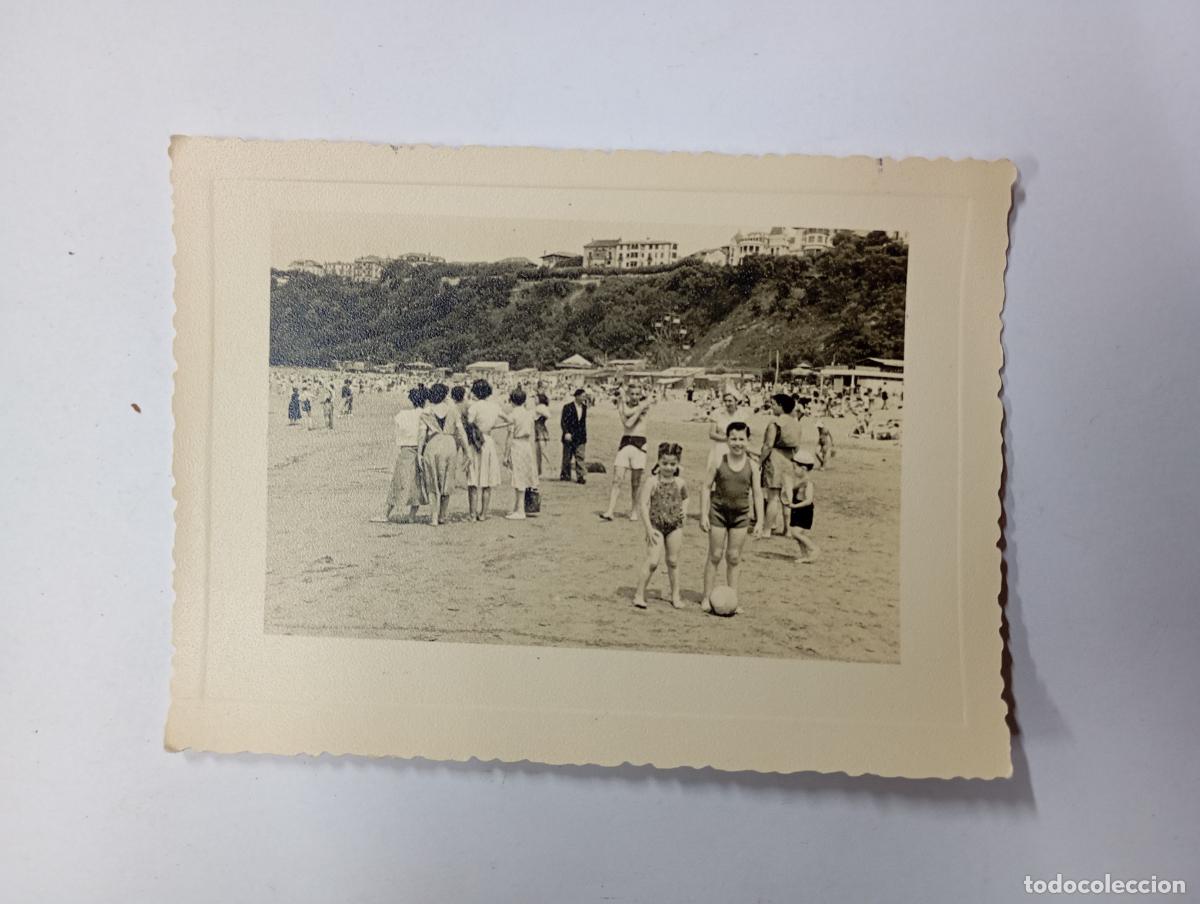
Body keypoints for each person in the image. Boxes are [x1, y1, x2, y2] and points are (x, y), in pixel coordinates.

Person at [700, 422, 765, 614]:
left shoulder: (753, 466)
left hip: (740, 516)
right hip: (718, 513)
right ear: (727, 440)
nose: (737, 443)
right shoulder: (719, 461)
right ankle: (706, 596)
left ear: (748, 440)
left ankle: (733, 598)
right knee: (715, 555)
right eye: (733, 439)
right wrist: (704, 514)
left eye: (741, 439)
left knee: (734, 557)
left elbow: (758, 494)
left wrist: (760, 521)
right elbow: (705, 487)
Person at [632, 443, 689, 609]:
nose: (668, 468)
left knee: (673, 561)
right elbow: (643, 504)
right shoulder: (652, 482)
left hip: (674, 526)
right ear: (658, 461)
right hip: (655, 525)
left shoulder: (680, 482)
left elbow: (686, 498)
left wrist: (684, 512)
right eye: (664, 463)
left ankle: (675, 595)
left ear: (678, 463)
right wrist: (648, 528)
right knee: (653, 561)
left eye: (672, 464)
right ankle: (639, 594)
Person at [417, 383, 466, 526]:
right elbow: (461, 432)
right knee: (447, 480)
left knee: (432, 481)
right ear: (445, 395)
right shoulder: (453, 410)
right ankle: (442, 515)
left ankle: (433, 517)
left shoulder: (426, 412)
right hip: (449, 444)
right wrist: (467, 450)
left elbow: (421, 435)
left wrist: (419, 453)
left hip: (433, 444)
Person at [601, 384, 652, 521]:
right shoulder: (629, 407)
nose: (635, 397)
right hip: (625, 443)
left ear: (640, 394)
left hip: (640, 444)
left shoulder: (644, 405)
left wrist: (622, 404)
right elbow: (626, 423)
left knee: (635, 482)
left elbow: (628, 421)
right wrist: (622, 406)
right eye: (632, 394)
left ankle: (634, 510)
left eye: (637, 394)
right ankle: (610, 510)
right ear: (629, 394)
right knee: (617, 478)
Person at [385, 386, 430, 523]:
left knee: (399, 481)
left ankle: (387, 513)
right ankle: (412, 515)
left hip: (405, 450)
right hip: (421, 449)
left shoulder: (403, 415)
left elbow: (398, 430)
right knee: (417, 482)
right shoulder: (427, 414)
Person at [759, 393, 803, 534]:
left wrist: (760, 461)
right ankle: (787, 530)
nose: (771, 407)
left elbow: (768, 445)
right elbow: (797, 447)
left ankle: (767, 530)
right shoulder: (796, 424)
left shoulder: (775, 423)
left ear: (780, 406)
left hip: (775, 458)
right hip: (790, 460)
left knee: (772, 498)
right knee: (787, 498)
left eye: (773, 404)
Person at [465, 379, 508, 521]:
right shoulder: (494, 406)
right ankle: (483, 513)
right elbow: (509, 420)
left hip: (476, 442)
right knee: (487, 480)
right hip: (488, 440)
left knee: (473, 480)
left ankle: (472, 514)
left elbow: (470, 426)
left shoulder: (473, 407)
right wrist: (493, 427)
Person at [503, 386, 538, 521]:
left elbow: (509, 437)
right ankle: (519, 507)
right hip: (526, 445)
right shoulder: (529, 414)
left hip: (517, 445)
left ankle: (520, 510)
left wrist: (505, 455)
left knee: (518, 476)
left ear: (512, 401)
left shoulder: (512, 416)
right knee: (524, 475)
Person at [781, 449, 819, 562]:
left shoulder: (808, 483)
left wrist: (794, 506)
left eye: (795, 467)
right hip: (797, 508)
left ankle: (813, 548)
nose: (793, 470)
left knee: (796, 533)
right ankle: (805, 555)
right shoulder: (800, 481)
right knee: (796, 534)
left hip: (804, 510)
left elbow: (808, 500)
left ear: (803, 469)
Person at [705, 390, 751, 472]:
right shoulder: (717, 413)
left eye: (730, 401)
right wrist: (726, 439)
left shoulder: (743, 415)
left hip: (737, 447)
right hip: (720, 448)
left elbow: (746, 434)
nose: (727, 403)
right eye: (725, 401)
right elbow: (711, 434)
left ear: (736, 401)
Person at [559, 388, 588, 484]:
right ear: (577, 396)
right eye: (583, 395)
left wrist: (584, 435)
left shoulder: (584, 408)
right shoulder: (567, 407)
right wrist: (566, 432)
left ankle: (580, 476)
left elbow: (583, 423)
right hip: (569, 435)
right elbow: (563, 422)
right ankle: (565, 475)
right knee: (567, 456)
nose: (584, 397)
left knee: (580, 456)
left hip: (580, 436)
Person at [533, 391, 551, 477]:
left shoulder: (539, 407)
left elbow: (547, 415)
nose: (534, 400)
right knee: (540, 452)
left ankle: (550, 467)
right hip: (540, 429)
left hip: (539, 430)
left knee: (541, 451)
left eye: (536, 398)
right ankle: (540, 471)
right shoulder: (541, 407)